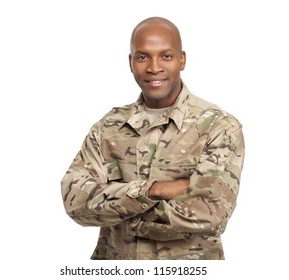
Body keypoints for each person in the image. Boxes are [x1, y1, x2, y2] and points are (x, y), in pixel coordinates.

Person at [61, 16, 245, 260]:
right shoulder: (108, 127)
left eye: (166, 56)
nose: (154, 67)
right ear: (130, 62)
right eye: (142, 56)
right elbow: (75, 203)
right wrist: (156, 190)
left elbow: (211, 214)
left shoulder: (218, 127)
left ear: (182, 60)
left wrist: (121, 210)